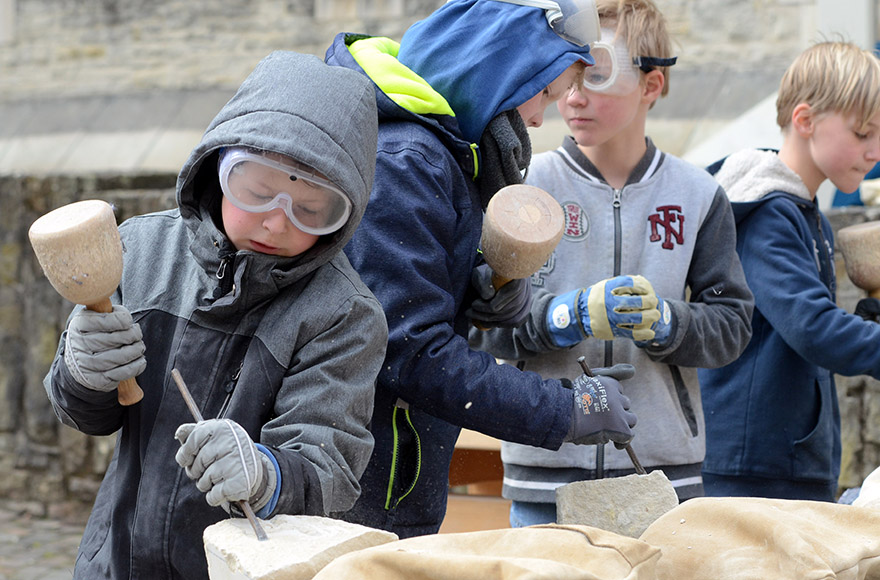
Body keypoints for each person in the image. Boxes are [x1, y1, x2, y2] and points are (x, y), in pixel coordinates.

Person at [41, 51, 388, 579]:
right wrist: (80, 371)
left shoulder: (343, 315)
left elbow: (328, 469)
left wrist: (268, 474)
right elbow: (88, 416)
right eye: (256, 190)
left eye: (311, 209)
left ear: (347, 213)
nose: (275, 223)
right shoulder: (138, 251)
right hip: (115, 561)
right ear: (219, 165)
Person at [324, 0, 638, 538]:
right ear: (498, 68)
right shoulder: (409, 162)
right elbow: (410, 352)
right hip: (358, 484)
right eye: (544, 92)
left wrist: (482, 293)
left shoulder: (441, 155)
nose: (541, 118)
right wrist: (567, 409)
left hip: (391, 469)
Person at [469, 0, 754, 527]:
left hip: (663, 478)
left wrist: (666, 321)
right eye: (568, 75)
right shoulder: (523, 187)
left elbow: (733, 325)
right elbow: (480, 325)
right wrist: (566, 316)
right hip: (545, 466)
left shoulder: (700, 195)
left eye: (597, 75)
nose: (574, 97)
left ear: (651, 85)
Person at [698, 40, 880, 502]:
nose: (876, 150)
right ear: (805, 121)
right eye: (863, 133)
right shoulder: (765, 213)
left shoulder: (800, 209)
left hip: (786, 464)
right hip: (755, 473)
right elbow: (814, 328)